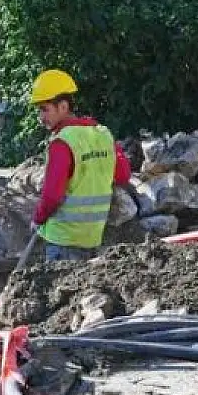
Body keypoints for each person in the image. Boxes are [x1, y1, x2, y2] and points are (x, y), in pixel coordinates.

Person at [30, 69, 132, 262]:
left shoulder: (62, 143)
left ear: (63, 106)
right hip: (92, 237)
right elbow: (123, 175)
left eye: (45, 109)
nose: (41, 117)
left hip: (63, 239)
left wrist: (38, 219)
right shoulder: (102, 134)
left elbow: (52, 196)